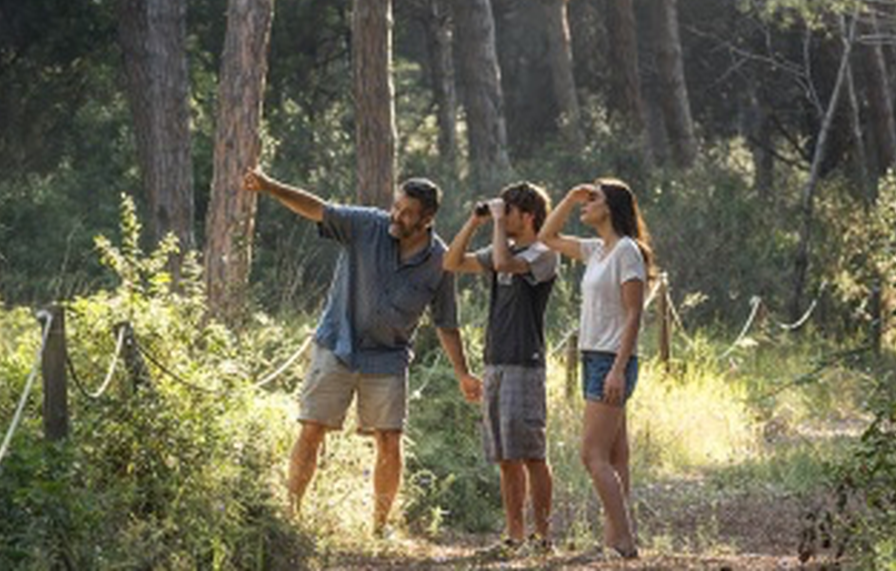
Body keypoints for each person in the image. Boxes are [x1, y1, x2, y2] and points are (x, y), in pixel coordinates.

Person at [243, 167, 481, 536]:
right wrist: (270, 187)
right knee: (311, 429)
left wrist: (463, 374)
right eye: (396, 207)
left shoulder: (440, 260)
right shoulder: (367, 225)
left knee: (389, 438)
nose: (397, 216)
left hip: (387, 358)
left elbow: (446, 322)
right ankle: (291, 517)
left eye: (407, 212)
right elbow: (318, 209)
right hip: (337, 344)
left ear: (427, 218)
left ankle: (379, 526)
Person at [442, 182, 560, 557]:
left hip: (525, 364)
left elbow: (508, 265)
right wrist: (475, 222)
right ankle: (514, 537)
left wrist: (495, 224)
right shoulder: (500, 248)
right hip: (495, 362)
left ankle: (543, 539)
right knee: (505, 456)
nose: (502, 218)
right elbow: (452, 262)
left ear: (526, 216)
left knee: (532, 454)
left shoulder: (544, 253)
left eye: (507, 212)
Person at [538, 178, 653, 561]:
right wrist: (570, 197)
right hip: (594, 356)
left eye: (594, 200)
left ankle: (623, 540)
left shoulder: (626, 251)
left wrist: (618, 369)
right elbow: (547, 235)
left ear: (612, 208)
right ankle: (615, 539)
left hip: (611, 359)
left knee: (591, 455)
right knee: (616, 456)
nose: (587, 205)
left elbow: (635, 313)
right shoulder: (596, 250)